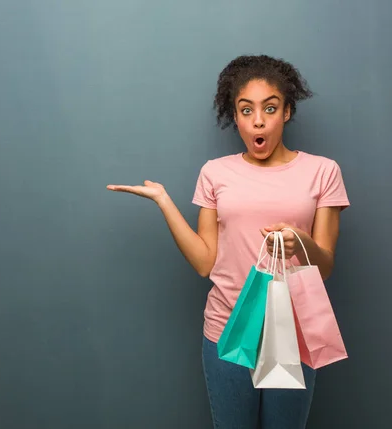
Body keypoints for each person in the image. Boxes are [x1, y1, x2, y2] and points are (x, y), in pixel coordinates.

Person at [106, 54, 350, 429]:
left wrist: (301, 243)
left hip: (294, 330)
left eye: (270, 108)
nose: (258, 120)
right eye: (246, 109)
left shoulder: (322, 171)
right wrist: (164, 202)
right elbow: (205, 261)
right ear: (233, 115)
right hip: (227, 329)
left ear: (286, 112)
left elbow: (327, 265)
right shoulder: (215, 173)